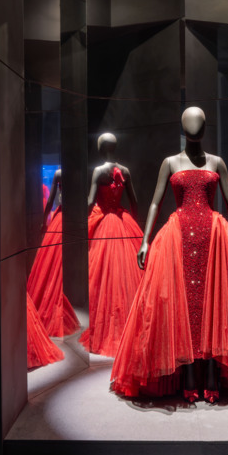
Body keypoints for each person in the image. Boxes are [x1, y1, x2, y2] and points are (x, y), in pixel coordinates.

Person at [111, 107, 228, 403]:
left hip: (213, 236)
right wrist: (145, 240)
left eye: (198, 122)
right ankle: (187, 370)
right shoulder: (170, 162)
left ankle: (211, 370)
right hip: (177, 238)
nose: (194, 127)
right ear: (183, 127)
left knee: (215, 302)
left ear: (204, 127)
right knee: (182, 302)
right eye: (189, 122)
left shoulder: (217, 162)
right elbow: (155, 203)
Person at [80, 133, 143, 356]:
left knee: (103, 275)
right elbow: (134, 200)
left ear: (100, 148)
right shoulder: (125, 170)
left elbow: (90, 200)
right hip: (122, 221)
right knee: (126, 274)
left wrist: (82, 218)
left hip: (105, 222)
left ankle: (108, 327)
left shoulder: (98, 171)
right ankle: (129, 325)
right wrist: (134, 223)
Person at [27, 169, 80, 337]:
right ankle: (57, 300)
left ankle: (56, 300)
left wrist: (44, 222)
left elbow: (50, 200)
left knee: (53, 262)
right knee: (56, 261)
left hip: (62, 217)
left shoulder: (59, 173)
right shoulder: (73, 172)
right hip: (72, 218)